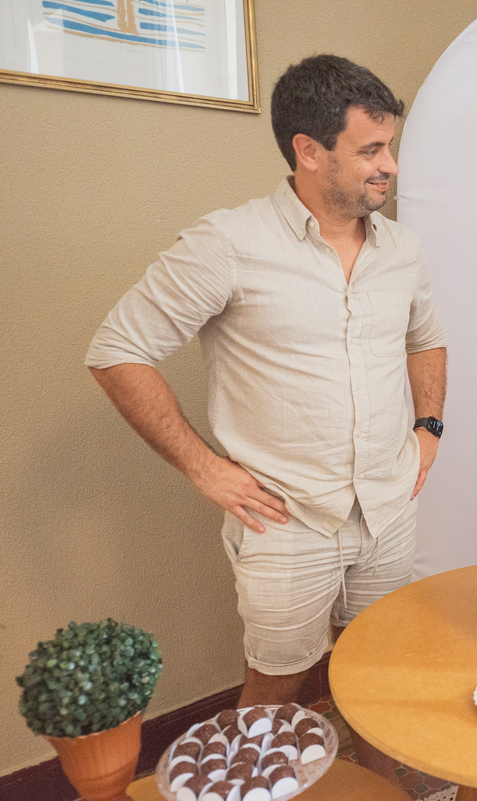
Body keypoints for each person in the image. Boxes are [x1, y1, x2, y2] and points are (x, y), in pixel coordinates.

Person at [85, 55, 447, 707]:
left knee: (380, 666)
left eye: (388, 146)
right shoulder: (227, 243)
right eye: (370, 150)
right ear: (309, 151)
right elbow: (117, 350)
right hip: (286, 519)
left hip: (389, 505)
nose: (390, 165)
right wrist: (204, 468)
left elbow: (425, 339)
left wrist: (430, 427)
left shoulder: (403, 250)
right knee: (276, 687)